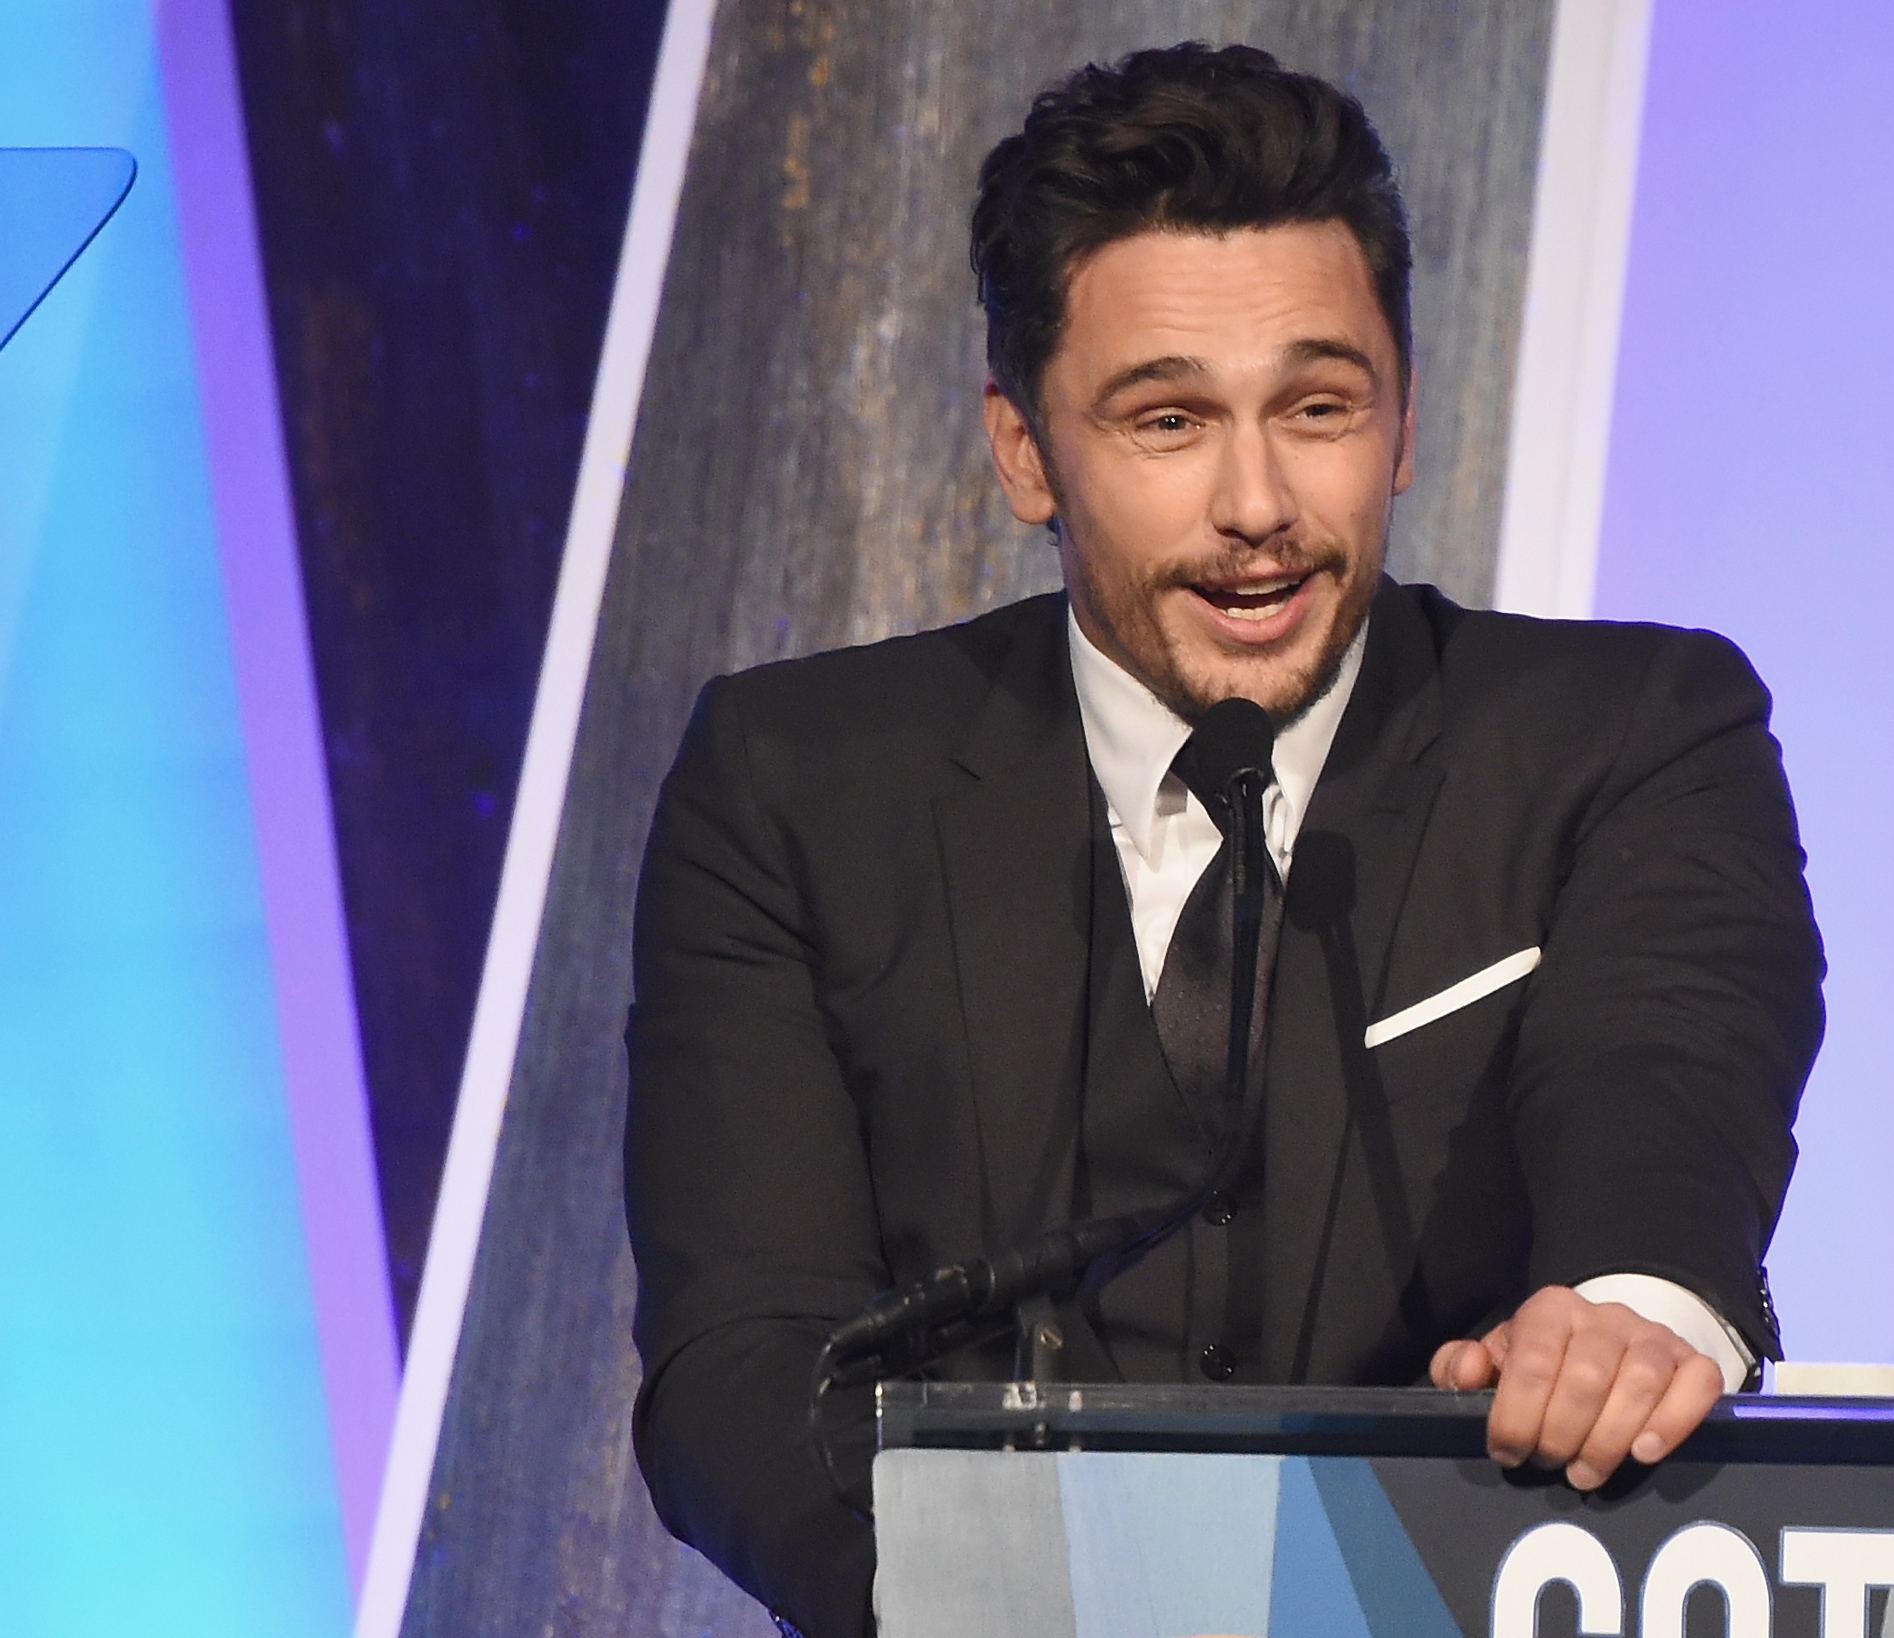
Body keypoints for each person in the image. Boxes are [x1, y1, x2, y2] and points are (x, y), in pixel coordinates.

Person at [625, 41, 1823, 1637]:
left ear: (1401, 423)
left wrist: (1623, 1309)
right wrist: (995, 1609)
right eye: (1169, 420)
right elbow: (739, 1357)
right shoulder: (797, 780)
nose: (1259, 501)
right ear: (1024, 451)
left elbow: (1666, 1070)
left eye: (1319, 406)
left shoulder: (1631, 732)